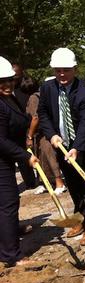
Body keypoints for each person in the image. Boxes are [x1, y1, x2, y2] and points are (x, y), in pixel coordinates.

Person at [38, 48, 85, 245]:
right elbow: (43, 113)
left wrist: (78, 147)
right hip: (62, 146)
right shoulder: (48, 88)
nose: (62, 74)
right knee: (74, 186)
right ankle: (80, 218)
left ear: (74, 69)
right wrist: (51, 135)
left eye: (66, 70)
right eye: (58, 70)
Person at [0, 56, 38, 266]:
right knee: (7, 202)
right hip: (2, 159)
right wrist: (25, 156)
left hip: (7, 157)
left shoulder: (9, 98)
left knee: (8, 200)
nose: (7, 85)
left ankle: (11, 232)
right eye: (2, 82)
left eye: (9, 80)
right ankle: (11, 253)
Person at [24, 76, 67, 195]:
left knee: (49, 157)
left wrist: (30, 136)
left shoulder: (34, 97)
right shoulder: (43, 95)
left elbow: (35, 118)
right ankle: (45, 183)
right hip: (43, 133)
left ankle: (59, 183)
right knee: (41, 158)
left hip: (43, 133)